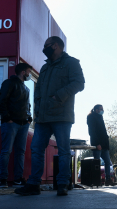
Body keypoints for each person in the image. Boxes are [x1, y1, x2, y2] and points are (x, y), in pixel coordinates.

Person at [15, 36, 85, 197]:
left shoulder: (72, 63)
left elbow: (79, 83)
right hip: (43, 118)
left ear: (55, 46)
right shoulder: (45, 68)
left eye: (46, 46)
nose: (44, 49)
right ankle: (33, 184)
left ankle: (62, 184)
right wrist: (37, 111)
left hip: (62, 115)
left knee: (63, 150)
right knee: (36, 149)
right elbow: (38, 91)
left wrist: (59, 97)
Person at [0, 63, 33, 188]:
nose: (30, 75)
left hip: (23, 124)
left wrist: (29, 118)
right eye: (28, 71)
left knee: (20, 152)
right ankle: (3, 180)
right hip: (11, 124)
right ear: (23, 72)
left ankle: (18, 179)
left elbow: (28, 106)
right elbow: (1, 101)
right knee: (6, 151)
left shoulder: (27, 89)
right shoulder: (9, 83)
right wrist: (7, 118)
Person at [87, 104, 113, 186]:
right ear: (96, 110)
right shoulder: (91, 117)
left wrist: (106, 144)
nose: (102, 110)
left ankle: (108, 179)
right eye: (101, 109)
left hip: (104, 145)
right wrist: (97, 143)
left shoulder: (100, 117)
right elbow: (92, 132)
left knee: (107, 162)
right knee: (96, 164)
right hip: (97, 144)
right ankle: (96, 180)